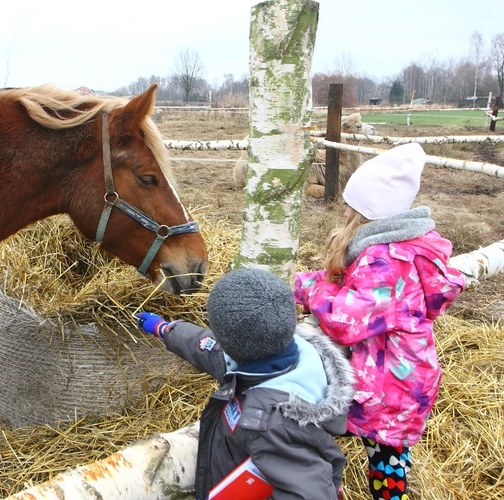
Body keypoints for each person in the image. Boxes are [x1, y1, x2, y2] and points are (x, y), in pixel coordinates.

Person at [293, 143, 466, 500]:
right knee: (389, 458)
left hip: (389, 388)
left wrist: (308, 287)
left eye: (349, 208)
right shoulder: (409, 249)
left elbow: (345, 321)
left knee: (385, 465)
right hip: (402, 377)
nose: (343, 214)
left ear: (366, 215)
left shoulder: (384, 260)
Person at [136, 267, 355, 500]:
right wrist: (165, 329)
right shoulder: (290, 352)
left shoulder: (270, 423)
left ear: (231, 342)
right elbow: (206, 347)